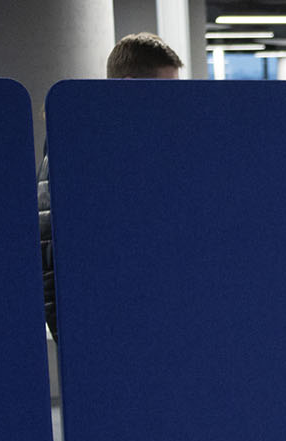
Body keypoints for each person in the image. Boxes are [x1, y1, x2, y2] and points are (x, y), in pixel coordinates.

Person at [40, 32, 182, 338]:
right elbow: (53, 255)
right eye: (166, 90)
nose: (173, 103)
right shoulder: (81, 149)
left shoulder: (138, 151)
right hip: (104, 330)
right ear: (129, 86)